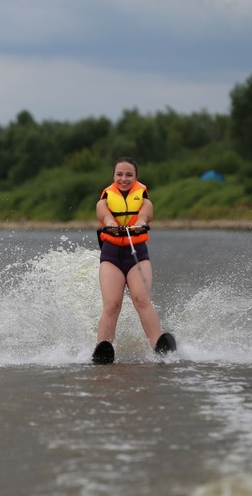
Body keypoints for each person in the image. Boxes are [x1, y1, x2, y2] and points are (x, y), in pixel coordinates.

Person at [92, 156, 176, 364]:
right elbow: (103, 213)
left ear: (136, 177)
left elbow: (146, 214)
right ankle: (103, 348)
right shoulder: (104, 200)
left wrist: (140, 221)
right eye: (119, 174)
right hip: (111, 257)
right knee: (112, 305)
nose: (124, 178)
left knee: (141, 299)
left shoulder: (144, 200)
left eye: (129, 175)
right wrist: (110, 221)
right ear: (113, 176)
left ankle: (158, 345)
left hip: (136, 255)